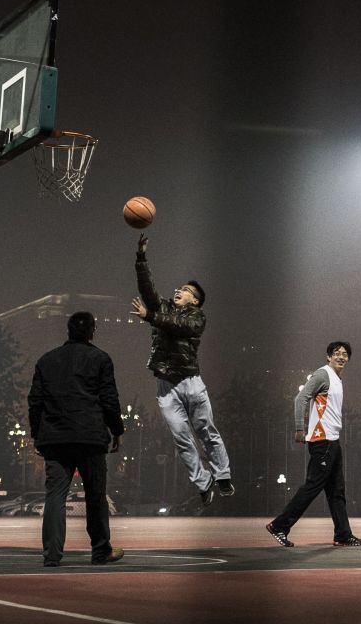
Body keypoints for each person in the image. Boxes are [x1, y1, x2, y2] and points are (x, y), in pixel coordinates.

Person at [131, 234, 233, 506]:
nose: (179, 290)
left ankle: (222, 475)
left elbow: (181, 328)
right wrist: (141, 257)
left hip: (190, 381)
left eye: (186, 289)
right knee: (181, 438)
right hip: (166, 385)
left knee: (206, 431)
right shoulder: (163, 307)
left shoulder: (197, 317)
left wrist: (150, 317)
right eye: (178, 288)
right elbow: (148, 288)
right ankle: (203, 482)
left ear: (196, 300)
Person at [27, 312, 125, 566]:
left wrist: (37, 434)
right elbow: (109, 399)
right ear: (92, 331)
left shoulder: (46, 360)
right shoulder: (101, 359)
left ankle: (51, 555)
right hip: (90, 437)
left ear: (68, 331)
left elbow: (35, 401)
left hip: (55, 438)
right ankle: (101, 550)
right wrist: (117, 430)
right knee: (95, 496)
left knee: (55, 496)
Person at [266, 341, 361, 548]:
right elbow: (300, 399)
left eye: (345, 354)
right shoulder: (323, 375)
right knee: (312, 487)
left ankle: (343, 535)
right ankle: (279, 526)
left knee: (337, 491)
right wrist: (299, 428)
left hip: (333, 441)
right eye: (336, 353)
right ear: (328, 357)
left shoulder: (337, 379)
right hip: (322, 441)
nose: (341, 357)